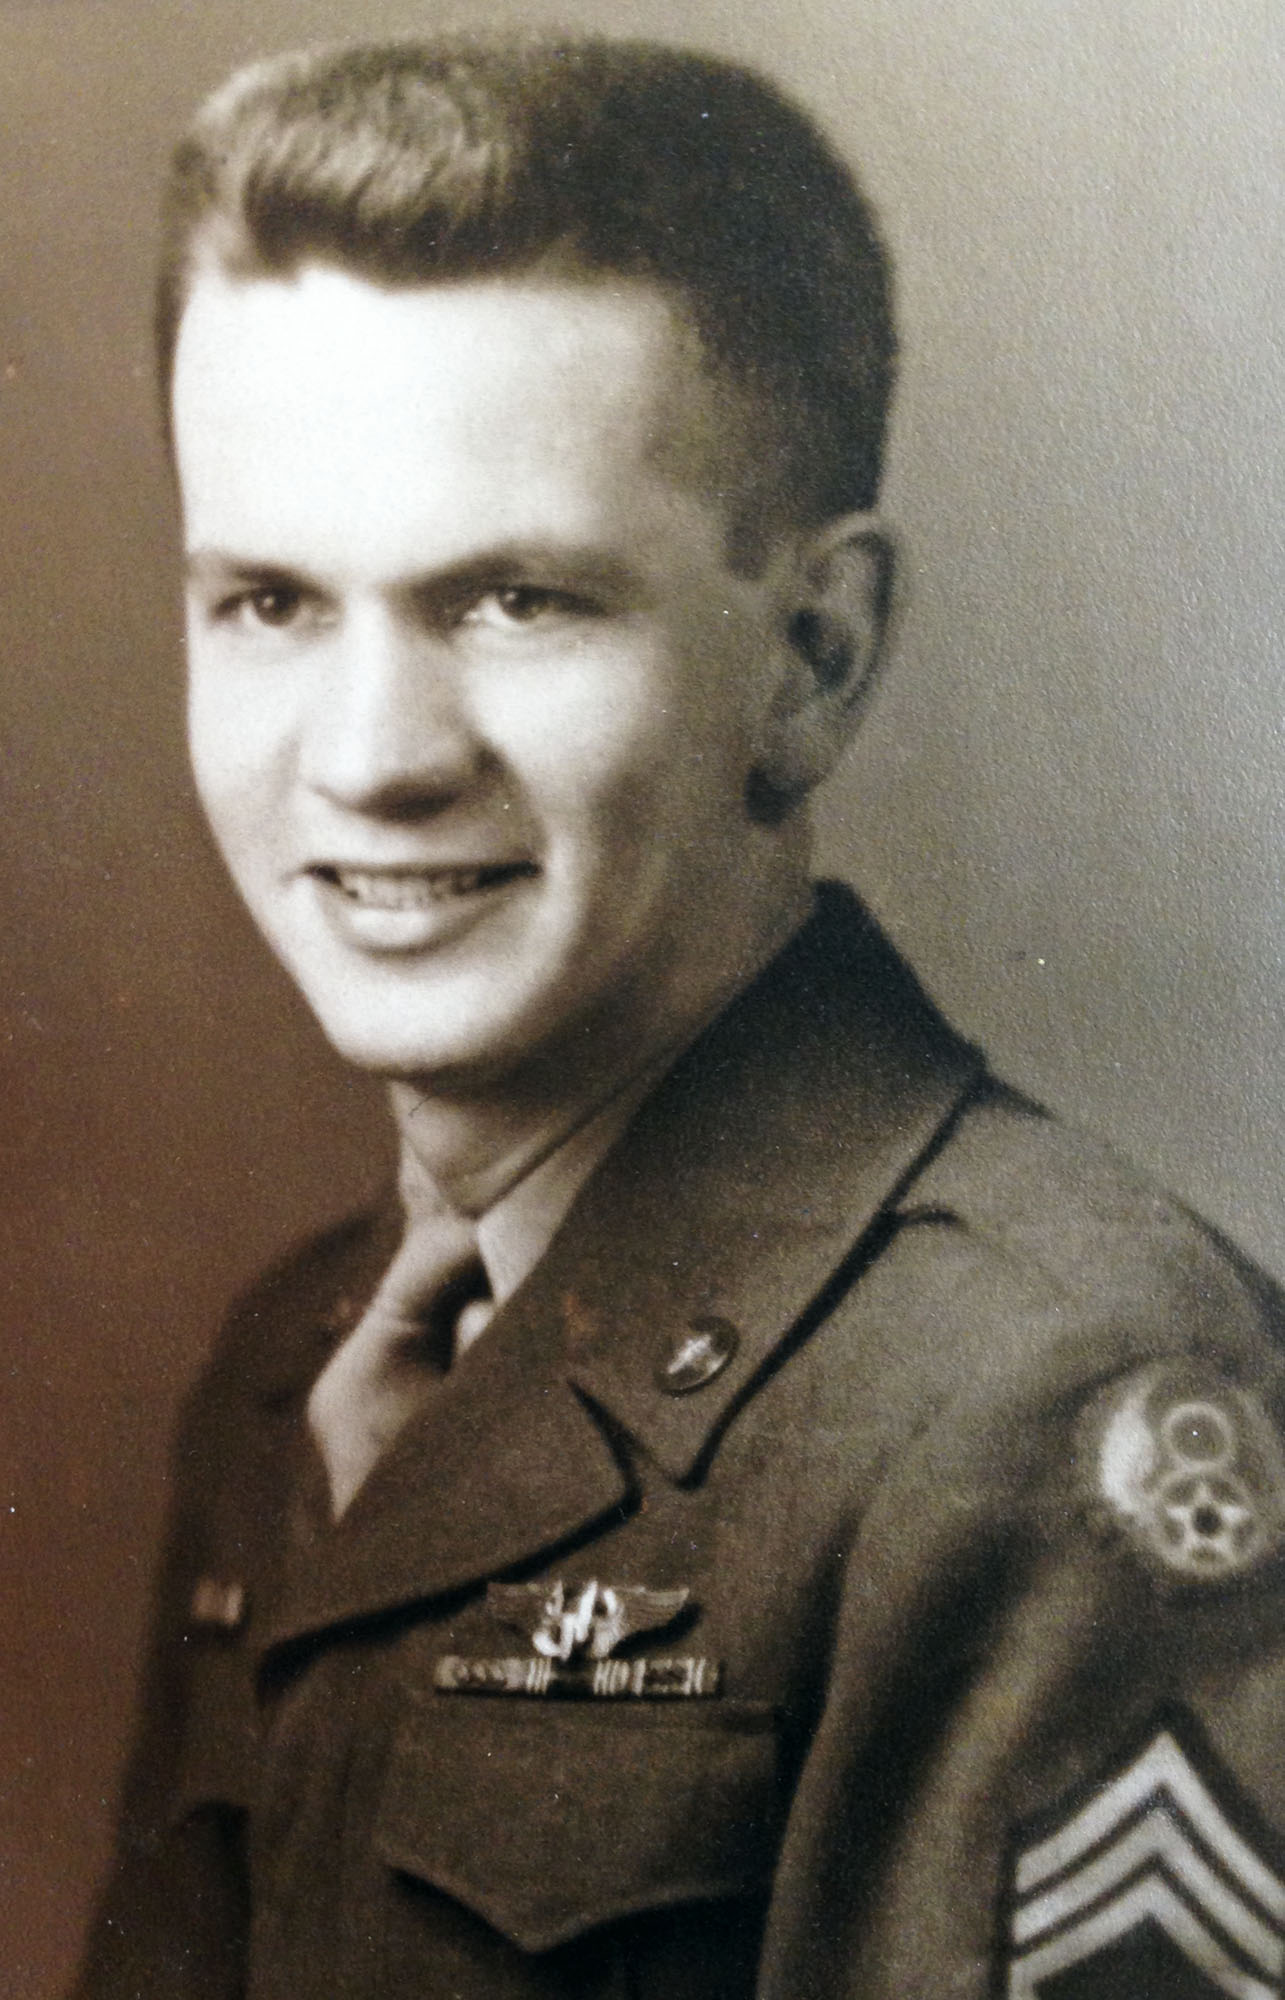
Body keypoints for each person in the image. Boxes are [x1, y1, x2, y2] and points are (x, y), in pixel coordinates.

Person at [75, 32, 1285, 2000]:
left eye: (518, 600)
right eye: (271, 603)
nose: (370, 760)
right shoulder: (303, 1364)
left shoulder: (1045, 1420)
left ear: (813, 656)